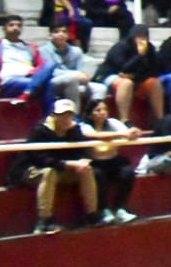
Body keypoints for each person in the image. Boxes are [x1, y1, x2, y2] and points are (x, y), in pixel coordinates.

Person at [19, 98, 100, 234]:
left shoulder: (75, 129)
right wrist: (70, 164)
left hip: (62, 169)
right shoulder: (40, 131)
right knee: (49, 172)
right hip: (34, 171)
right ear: (54, 115)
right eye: (62, 115)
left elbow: (86, 150)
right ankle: (45, 219)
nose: (66, 118)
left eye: (69, 115)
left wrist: (84, 161)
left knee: (87, 170)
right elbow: (40, 159)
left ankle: (91, 215)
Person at [80, 100, 144, 223]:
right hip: (95, 162)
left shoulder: (113, 122)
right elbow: (93, 135)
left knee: (128, 172)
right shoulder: (84, 126)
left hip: (113, 160)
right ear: (89, 114)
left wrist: (134, 132)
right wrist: (123, 134)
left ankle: (121, 208)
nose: (102, 113)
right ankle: (103, 210)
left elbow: (128, 133)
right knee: (97, 175)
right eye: (98, 110)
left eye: (105, 110)